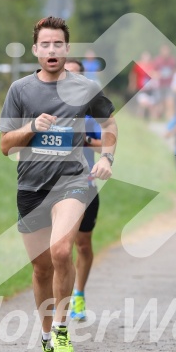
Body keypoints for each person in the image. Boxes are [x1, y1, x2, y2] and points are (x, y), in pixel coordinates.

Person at [0, 16, 117, 352]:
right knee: (40, 268)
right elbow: (4, 145)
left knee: (62, 249)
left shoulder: (85, 87)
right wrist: (31, 127)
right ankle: (48, 339)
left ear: (67, 49)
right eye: (45, 45)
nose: (52, 50)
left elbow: (109, 124)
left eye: (58, 44)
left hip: (73, 181)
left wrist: (107, 157)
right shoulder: (20, 90)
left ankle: (63, 329)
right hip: (31, 187)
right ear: (36, 50)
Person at [65, 58, 102, 321]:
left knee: (83, 244)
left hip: (86, 184)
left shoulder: (90, 115)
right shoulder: (48, 111)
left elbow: (105, 143)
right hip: (55, 186)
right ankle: (60, 300)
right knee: (60, 247)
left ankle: (79, 294)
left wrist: (86, 139)